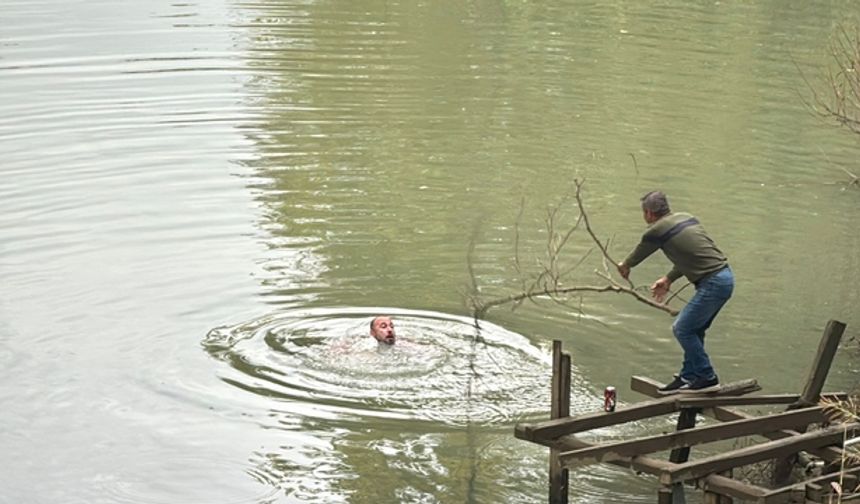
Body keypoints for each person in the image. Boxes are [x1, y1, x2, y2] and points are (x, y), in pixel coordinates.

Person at [617, 191, 734, 394]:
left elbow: (639, 253)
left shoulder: (656, 231)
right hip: (724, 278)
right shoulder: (686, 218)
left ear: (649, 213)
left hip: (713, 282)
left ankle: (707, 377)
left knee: (682, 329)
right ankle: (689, 376)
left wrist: (625, 265)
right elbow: (693, 256)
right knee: (694, 331)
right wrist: (668, 278)